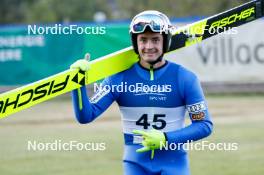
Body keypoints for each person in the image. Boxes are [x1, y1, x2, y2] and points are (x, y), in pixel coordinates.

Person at [70, 10, 213, 175]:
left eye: (155, 40)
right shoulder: (118, 78)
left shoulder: (184, 78)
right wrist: (77, 82)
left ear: (165, 41)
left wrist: (166, 139)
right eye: (143, 40)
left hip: (174, 164)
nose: (149, 46)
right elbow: (86, 116)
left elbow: (204, 125)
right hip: (135, 166)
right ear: (135, 42)